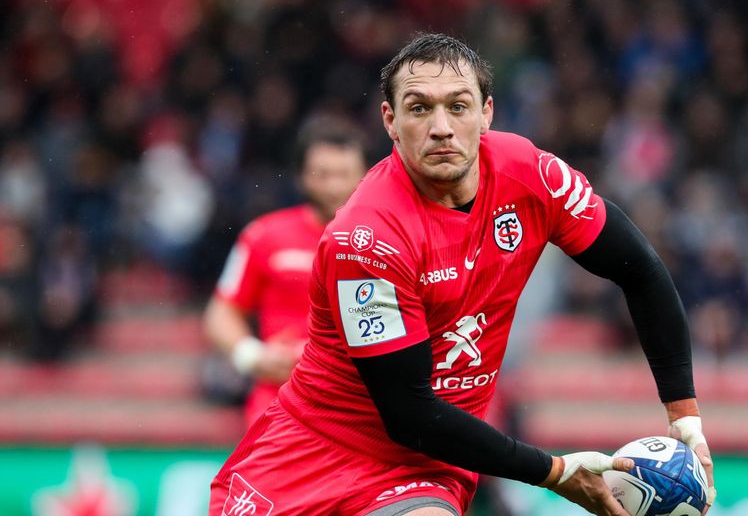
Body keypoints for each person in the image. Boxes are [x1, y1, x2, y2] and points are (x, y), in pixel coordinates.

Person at [210, 33, 716, 516]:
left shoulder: (533, 175)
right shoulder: (365, 238)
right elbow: (408, 412)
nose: (441, 127)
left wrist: (685, 417)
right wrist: (555, 471)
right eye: (419, 108)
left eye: (458, 106)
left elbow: (640, 271)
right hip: (311, 454)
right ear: (390, 120)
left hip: (423, 466)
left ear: (486, 112)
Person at [202, 118, 366, 426]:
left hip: (358, 406)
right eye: (323, 174)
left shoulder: (388, 242)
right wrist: (251, 356)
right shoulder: (263, 235)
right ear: (301, 177)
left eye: (344, 174)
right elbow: (221, 311)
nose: (334, 186)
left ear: (365, 176)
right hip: (279, 404)